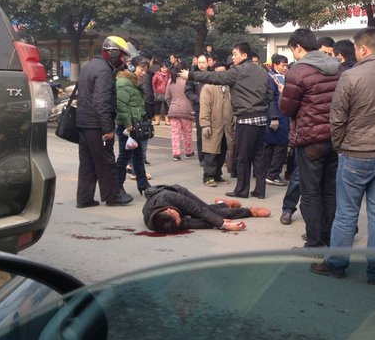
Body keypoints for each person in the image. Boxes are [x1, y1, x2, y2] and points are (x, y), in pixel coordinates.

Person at [310, 28, 375, 284]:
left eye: (356, 49)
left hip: (354, 153)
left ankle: (336, 264)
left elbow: (337, 118)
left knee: (346, 213)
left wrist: (340, 145)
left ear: (363, 49)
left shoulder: (351, 76)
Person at [181, 42, 272, 200]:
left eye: (235, 54)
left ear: (244, 55)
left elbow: (214, 76)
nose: (233, 57)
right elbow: (270, 93)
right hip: (261, 118)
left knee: (243, 157)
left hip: (246, 119)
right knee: (259, 157)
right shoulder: (262, 71)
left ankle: (242, 190)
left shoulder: (237, 71)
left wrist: (191, 75)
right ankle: (260, 190)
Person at [280, 28, 341, 251]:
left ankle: (314, 243)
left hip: (310, 139)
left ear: (298, 47)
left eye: (292, 50)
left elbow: (286, 107)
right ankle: (330, 237)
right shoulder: (337, 68)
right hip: (334, 138)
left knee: (311, 192)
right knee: (330, 191)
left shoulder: (298, 71)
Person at [75, 36, 139, 208]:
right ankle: (113, 196)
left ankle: (84, 198)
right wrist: (107, 128)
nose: (123, 60)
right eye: (122, 56)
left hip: (84, 122)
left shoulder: (90, 66)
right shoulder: (104, 71)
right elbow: (101, 102)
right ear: (113, 53)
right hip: (96, 124)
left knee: (87, 163)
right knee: (107, 161)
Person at [142, 185, 270, 234]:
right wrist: (222, 224)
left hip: (179, 194)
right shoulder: (160, 223)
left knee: (210, 211)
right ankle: (223, 203)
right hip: (169, 207)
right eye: (178, 220)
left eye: (178, 217)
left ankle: (251, 211)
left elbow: (199, 211)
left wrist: (223, 223)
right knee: (213, 216)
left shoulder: (169, 197)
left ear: (169, 210)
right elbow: (194, 223)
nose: (180, 218)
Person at [115, 55, 152, 196]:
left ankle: (143, 184)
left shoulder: (135, 82)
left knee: (138, 156)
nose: (143, 72)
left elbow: (137, 105)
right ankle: (117, 187)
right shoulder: (124, 82)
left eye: (145, 70)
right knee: (124, 157)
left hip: (136, 126)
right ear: (131, 67)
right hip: (127, 127)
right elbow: (121, 105)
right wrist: (128, 124)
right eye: (141, 69)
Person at [199, 61, 235, 187]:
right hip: (213, 125)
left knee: (222, 151)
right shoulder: (208, 87)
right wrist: (205, 124)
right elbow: (204, 107)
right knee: (211, 152)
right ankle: (208, 176)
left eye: (224, 72)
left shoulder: (229, 87)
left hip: (227, 126)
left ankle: (217, 175)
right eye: (219, 72)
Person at [264, 54, 290, 186]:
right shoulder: (272, 78)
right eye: (282, 65)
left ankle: (268, 172)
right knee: (280, 146)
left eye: (286, 65)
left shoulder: (279, 77)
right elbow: (270, 99)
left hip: (280, 116)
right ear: (275, 65)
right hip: (277, 117)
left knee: (271, 146)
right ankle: (273, 174)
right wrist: (274, 117)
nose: (285, 68)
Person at [165, 62, 195, 161]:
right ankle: (188, 151)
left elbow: (167, 97)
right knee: (187, 133)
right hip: (186, 110)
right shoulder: (187, 81)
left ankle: (176, 153)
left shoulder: (171, 81)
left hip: (173, 110)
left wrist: (171, 105)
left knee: (175, 133)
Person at [185, 55, 209, 164]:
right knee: (201, 133)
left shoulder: (213, 76)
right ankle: (202, 158)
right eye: (200, 62)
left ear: (208, 63)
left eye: (204, 62)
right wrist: (198, 99)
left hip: (212, 108)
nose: (202, 64)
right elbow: (188, 92)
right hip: (199, 108)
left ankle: (212, 156)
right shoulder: (193, 76)